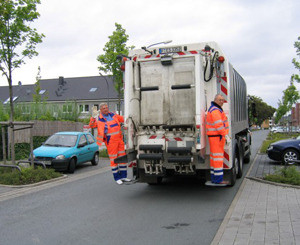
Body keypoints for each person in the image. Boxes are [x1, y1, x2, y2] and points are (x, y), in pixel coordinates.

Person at [89, 103, 130, 185]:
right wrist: (93, 117)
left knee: (122, 158)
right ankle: (117, 178)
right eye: (104, 108)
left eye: (106, 107)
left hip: (119, 140)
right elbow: (92, 125)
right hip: (111, 141)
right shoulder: (99, 119)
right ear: (100, 110)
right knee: (114, 160)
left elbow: (123, 119)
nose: (106, 109)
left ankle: (123, 177)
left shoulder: (113, 115)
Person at [205, 94, 230, 186]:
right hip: (217, 137)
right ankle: (218, 180)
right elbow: (218, 125)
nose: (222, 102)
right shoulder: (215, 110)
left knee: (214, 158)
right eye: (220, 100)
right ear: (215, 100)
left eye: (223, 100)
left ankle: (215, 178)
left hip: (215, 137)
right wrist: (225, 135)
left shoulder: (214, 109)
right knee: (218, 159)